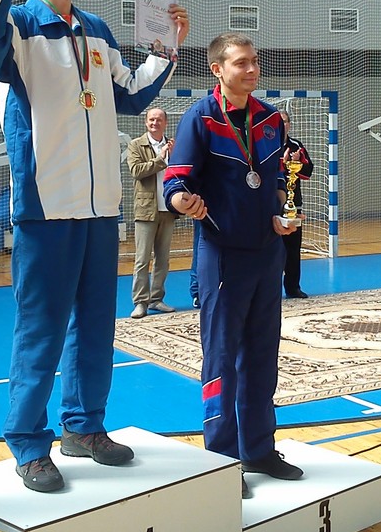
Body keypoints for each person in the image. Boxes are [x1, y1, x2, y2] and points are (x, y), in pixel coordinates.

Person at [0, 0, 190, 493]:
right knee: (40, 331)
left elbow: (132, 94)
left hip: (99, 209)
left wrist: (166, 48)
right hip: (45, 206)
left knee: (94, 327)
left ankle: (84, 427)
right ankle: (28, 443)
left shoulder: (97, 31)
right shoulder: (18, 27)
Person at [164, 32, 304, 499]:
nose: (251, 69)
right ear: (217, 69)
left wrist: (281, 211)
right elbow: (176, 179)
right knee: (221, 359)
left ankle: (259, 449)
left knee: (263, 356)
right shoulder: (200, 118)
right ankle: (222, 460)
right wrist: (181, 200)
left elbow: (276, 179)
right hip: (221, 255)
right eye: (241, 63)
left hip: (267, 252)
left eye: (254, 61)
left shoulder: (270, 118)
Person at [127, 107, 178, 319]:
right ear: (145, 122)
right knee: (142, 259)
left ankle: (156, 299)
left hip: (168, 208)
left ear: (165, 123)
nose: (155, 123)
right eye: (151, 120)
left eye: (159, 120)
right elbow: (136, 171)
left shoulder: (174, 145)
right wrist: (161, 158)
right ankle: (140, 302)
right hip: (146, 210)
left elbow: (180, 171)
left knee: (163, 259)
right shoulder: (136, 145)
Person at [279, 110, 314, 299]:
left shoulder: (296, 146)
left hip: (293, 205)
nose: (282, 125)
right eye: (279, 121)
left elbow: (308, 172)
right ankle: (268, 290)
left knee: (293, 249)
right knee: (271, 250)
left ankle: (293, 288)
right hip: (271, 204)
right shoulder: (265, 144)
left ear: (289, 125)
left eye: (285, 121)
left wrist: (297, 162)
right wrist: (282, 163)